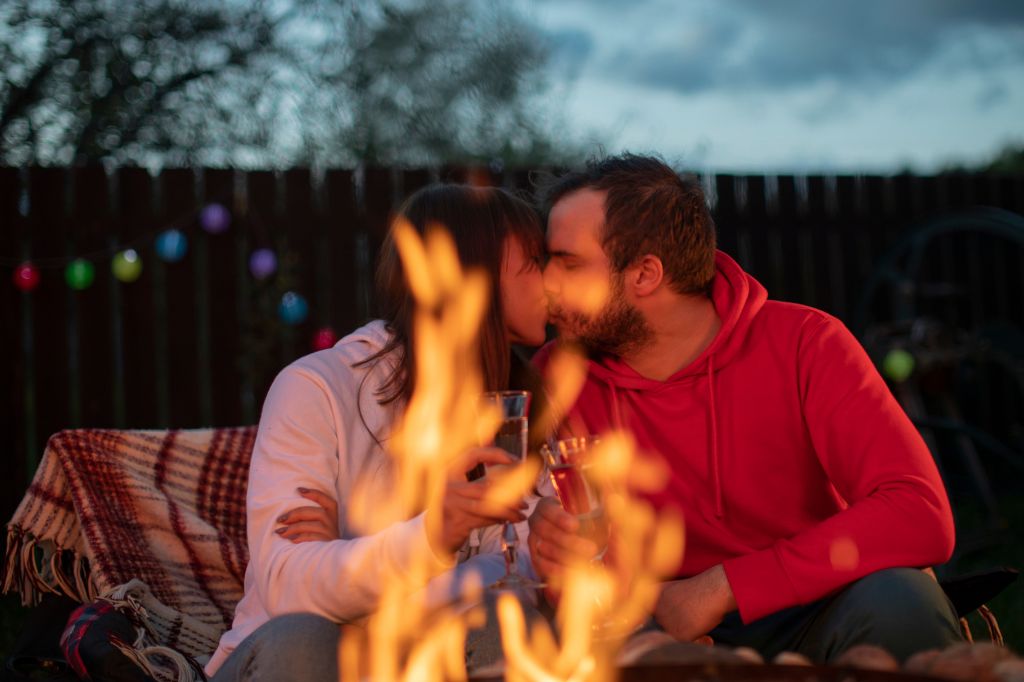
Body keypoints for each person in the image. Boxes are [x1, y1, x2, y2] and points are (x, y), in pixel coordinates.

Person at [527, 153, 962, 663]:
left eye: (569, 263)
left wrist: (721, 588)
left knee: (903, 600)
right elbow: (577, 573)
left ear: (645, 274)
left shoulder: (805, 343)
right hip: (651, 624)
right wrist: (555, 550)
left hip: (810, 605)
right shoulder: (556, 375)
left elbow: (919, 511)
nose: (546, 281)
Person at [206, 184, 550, 681]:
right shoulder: (317, 388)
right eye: (535, 262)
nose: (552, 281)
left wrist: (354, 584)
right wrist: (434, 536)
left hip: (412, 665)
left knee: (504, 618)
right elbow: (288, 588)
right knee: (306, 640)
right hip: (287, 661)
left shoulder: (518, 409)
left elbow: (519, 572)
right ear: (472, 274)